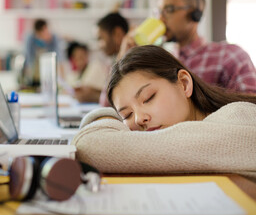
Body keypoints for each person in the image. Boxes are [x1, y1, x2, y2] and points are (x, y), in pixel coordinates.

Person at [72, 45, 256, 181]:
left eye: (148, 97)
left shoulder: (239, 117)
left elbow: (90, 147)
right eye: (126, 115)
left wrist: (104, 118)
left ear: (184, 83)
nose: (139, 118)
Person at [118, 0, 256, 94]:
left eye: (169, 10)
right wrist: (123, 60)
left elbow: (249, 109)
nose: (160, 18)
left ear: (195, 14)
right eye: (159, 11)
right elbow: (110, 107)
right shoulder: (159, 60)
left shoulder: (229, 55)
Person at [93, 12, 129, 106]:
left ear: (117, 34)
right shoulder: (113, 59)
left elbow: (106, 103)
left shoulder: (131, 60)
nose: (99, 46)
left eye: (100, 38)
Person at [23, 19, 64, 88]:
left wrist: (63, 82)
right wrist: (26, 79)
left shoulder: (54, 38)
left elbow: (60, 59)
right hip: (34, 76)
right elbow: (28, 59)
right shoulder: (30, 38)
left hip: (48, 78)